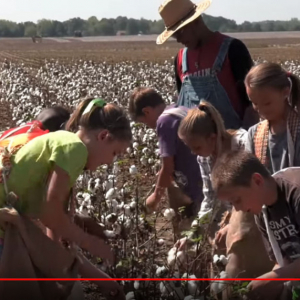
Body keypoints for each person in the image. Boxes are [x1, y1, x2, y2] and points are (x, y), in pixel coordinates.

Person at [0, 98, 131, 299]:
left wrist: (101, 279)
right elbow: (50, 216)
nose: (109, 162)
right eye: (114, 153)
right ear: (104, 136)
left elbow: (57, 239)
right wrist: (90, 242)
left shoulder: (63, 145)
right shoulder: (75, 149)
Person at [174, 100, 272, 279]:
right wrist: (192, 233)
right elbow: (210, 198)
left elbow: (258, 186)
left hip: (255, 215)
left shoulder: (243, 144)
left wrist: (233, 223)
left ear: (212, 137)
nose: (194, 152)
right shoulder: (204, 159)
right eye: (190, 148)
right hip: (231, 219)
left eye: (196, 147)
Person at [211, 150, 300, 300]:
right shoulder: (262, 213)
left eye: (237, 200)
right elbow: (284, 262)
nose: (237, 209)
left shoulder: (295, 193)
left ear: (257, 181)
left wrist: (272, 279)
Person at [156, 0, 258, 130]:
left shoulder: (233, 50)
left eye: (180, 32)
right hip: (194, 147)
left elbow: (253, 105)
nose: (179, 40)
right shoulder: (180, 59)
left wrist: (245, 142)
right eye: (174, 35)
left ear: (196, 21)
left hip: (233, 144)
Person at [128, 87, 203, 237]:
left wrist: (155, 198)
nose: (148, 126)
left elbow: (168, 168)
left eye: (144, 122)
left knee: (188, 234)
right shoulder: (180, 110)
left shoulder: (164, 122)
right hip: (203, 182)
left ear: (147, 111)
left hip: (191, 189)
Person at [245, 62, 300, 174]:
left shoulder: (298, 130)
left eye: (267, 103)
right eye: (255, 103)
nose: (260, 109)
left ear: (285, 92)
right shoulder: (254, 134)